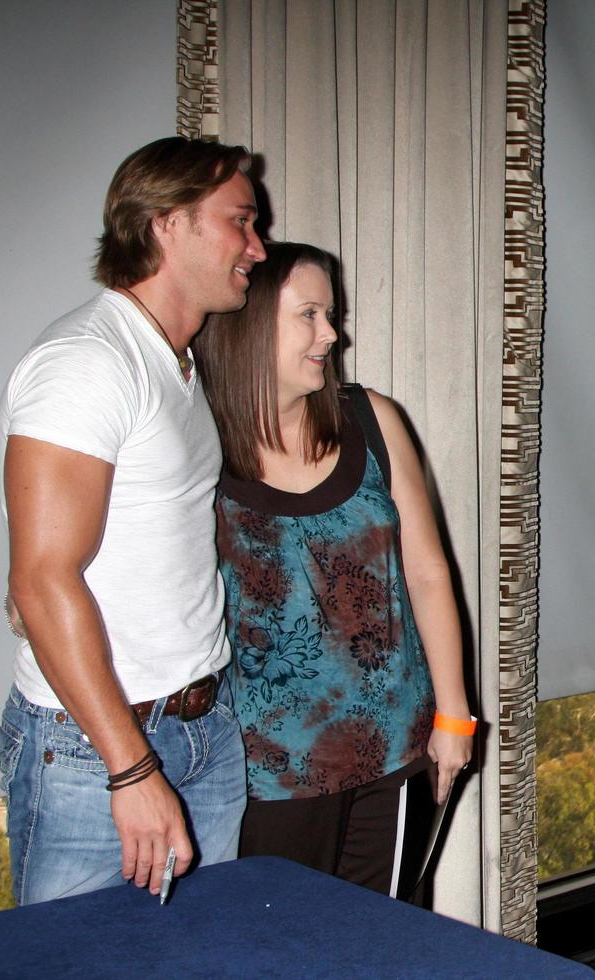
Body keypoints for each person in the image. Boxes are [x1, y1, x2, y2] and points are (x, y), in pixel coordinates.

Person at [0, 137, 266, 904]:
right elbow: (44, 579)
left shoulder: (176, 364)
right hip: (96, 750)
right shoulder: (87, 362)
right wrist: (132, 767)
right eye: (240, 221)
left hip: (202, 729)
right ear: (166, 223)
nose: (257, 244)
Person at [193, 242, 475, 901]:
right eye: (310, 315)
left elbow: (429, 574)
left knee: (384, 945)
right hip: (265, 774)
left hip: (393, 755)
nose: (331, 333)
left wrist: (454, 717)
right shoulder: (195, 445)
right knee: (276, 951)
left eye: (331, 314)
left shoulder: (371, 419)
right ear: (247, 325)